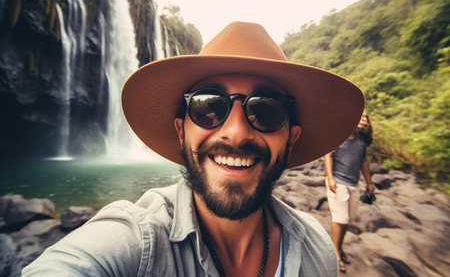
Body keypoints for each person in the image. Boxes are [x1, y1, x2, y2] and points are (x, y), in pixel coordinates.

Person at [23, 21, 364, 276]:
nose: (234, 131)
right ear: (181, 131)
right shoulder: (136, 241)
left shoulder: (317, 250)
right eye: (208, 107)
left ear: (291, 138)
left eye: (266, 110)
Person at [324, 110, 375, 273]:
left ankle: (339, 248)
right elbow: (328, 156)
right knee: (340, 218)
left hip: (354, 184)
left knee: (348, 220)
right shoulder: (338, 136)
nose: (363, 119)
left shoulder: (361, 140)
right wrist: (330, 178)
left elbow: (364, 161)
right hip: (338, 183)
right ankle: (335, 254)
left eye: (366, 117)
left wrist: (369, 182)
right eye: (360, 116)